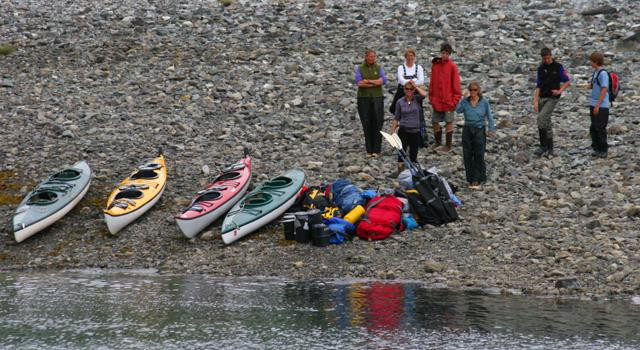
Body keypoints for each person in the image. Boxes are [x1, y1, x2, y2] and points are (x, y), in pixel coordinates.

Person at [455, 81, 496, 190]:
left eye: (475, 90)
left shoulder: (484, 102)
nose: (473, 92)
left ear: (478, 91)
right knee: (467, 154)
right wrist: (463, 98)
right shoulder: (465, 102)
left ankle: (478, 178)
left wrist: (491, 128)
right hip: (467, 129)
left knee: (479, 153)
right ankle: (471, 178)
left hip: (479, 129)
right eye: (471, 90)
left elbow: (489, 116)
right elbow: (458, 110)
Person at [532, 47, 571, 157]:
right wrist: (535, 100)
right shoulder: (541, 68)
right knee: (546, 121)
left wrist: (560, 91)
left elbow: (567, 81)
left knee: (541, 118)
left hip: (552, 98)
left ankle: (543, 145)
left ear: (551, 56)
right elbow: (538, 86)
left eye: (548, 58)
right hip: (542, 97)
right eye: (545, 59)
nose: (547, 61)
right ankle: (549, 147)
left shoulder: (558, 67)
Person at [429, 43, 461, 153]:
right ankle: (438, 142)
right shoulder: (436, 65)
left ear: (449, 54)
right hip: (437, 100)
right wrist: (432, 98)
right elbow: (432, 83)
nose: (444, 55)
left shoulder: (452, 66)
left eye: (447, 53)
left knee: (449, 122)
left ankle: (448, 145)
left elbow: (456, 85)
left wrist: (454, 101)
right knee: (435, 121)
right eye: (443, 53)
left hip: (448, 101)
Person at [390, 81, 427, 177]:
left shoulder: (417, 99)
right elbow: (396, 117)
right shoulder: (400, 102)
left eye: (411, 89)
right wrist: (392, 132)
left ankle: (414, 175)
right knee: (401, 154)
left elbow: (424, 94)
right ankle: (401, 174)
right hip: (403, 131)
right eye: (407, 89)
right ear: (404, 90)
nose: (409, 91)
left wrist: (415, 86)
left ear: (414, 90)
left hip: (415, 131)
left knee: (413, 155)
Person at [355, 48, 388, 158]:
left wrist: (368, 81)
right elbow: (359, 82)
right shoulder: (360, 68)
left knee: (378, 122)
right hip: (363, 98)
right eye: (370, 56)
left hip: (377, 97)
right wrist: (375, 83)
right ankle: (369, 150)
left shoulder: (379, 68)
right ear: (366, 57)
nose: (372, 58)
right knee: (366, 122)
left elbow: (383, 80)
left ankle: (377, 150)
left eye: (374, 56)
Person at [588, 52, 610, 158]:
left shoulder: (603, 73)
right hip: (593, 103)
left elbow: (604, 89)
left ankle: (603, 149)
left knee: (600, 128)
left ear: (596, 62)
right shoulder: (596, 72)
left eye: (591, 61)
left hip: (601, 106)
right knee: (593, 127)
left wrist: (597, 105)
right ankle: (596, 148)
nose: (589, 63)